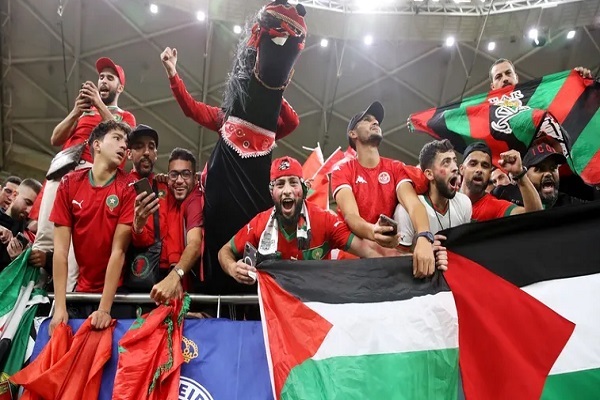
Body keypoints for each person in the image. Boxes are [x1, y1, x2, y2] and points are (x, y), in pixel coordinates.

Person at [219, 156, 449, 285]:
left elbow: (369, 253)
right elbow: (224, 252)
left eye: (293, 183)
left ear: (303, 190)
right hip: (277, 315)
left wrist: (416, 257)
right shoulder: (260, 223)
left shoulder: (324, 220)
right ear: (272, 193)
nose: (287, 190)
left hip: (316, 309)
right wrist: (232, 268)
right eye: (280, 184)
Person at [32, 57, 136, 290]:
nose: (103, 81)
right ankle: (34, 292)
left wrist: (98, 103)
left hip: (90, 174)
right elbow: (55, 138)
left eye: (110, 78)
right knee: (44, 238)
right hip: (62, 170)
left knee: (73, 244)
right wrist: (76, 111)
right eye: (101, 77)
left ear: (120, 87)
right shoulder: (83, 114)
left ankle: (66, 297)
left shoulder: (124, 116)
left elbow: (125, 138)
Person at [48, 120, 135, 335]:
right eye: (117, 138)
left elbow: (118, 251)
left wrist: (104, 309)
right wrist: (60, 308)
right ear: (97, 144)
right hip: (82, 290)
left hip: (116, 292)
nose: (123, 145)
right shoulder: (69, 183)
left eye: (125, 142)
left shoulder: (128, 187)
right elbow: (60, 252)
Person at [331, 101, 436, 278]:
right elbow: (351, 216)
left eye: (376, 121)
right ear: (352, 133)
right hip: (353, 260)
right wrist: (373, 231)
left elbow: (413, 204)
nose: (375, 122)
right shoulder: (342, 170)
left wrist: (425, 237)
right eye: (367, 120)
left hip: (389, 256)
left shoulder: (395, 167)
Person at [160, 47, 298, 148]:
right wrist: (172, 74)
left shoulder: (270, 123)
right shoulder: (224, 117)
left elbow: (292, 122)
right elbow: (191, 108)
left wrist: (274, 91)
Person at [131, 147, 203, 304]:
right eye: (174, 174)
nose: (179, 180)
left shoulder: (194, 201)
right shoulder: (170, 196)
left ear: (195, 178)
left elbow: (195, 244)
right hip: (160, 272)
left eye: (185, 174)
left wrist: (174, 276)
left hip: (190, 282)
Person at [394, 140, 471, 247]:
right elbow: (399, 253)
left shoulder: (464, 203)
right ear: (429, 174)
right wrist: (423, 250)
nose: (455, 168)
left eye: (454, 161)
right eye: (446, 163)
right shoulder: (405, 211)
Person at [460, 141, 542, 221]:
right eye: (473, 164)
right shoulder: (451, 200)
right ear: (461, 169)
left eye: (485, 166)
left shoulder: (495, 207)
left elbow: (536, 218)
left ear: (489, 173)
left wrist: (520, 174)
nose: (479, 170)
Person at [524, 142, 587, 209]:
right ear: (525, 175)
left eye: (553, 168)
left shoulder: (569, 204)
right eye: (540, 169)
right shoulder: (517, 206)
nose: (548, 173)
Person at [0, 179, 42, 271]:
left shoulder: (26, 234)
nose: (29, 210)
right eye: (27, 203)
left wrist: (18, 260)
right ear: (15, 195)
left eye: (34, 208)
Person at [489, 58, 592, 90]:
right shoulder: (485, 114)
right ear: (493, 86)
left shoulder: (538, 96)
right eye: (498, 77)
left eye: (508, 73)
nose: (505, 79)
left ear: (516, 77)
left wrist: (582, 85)